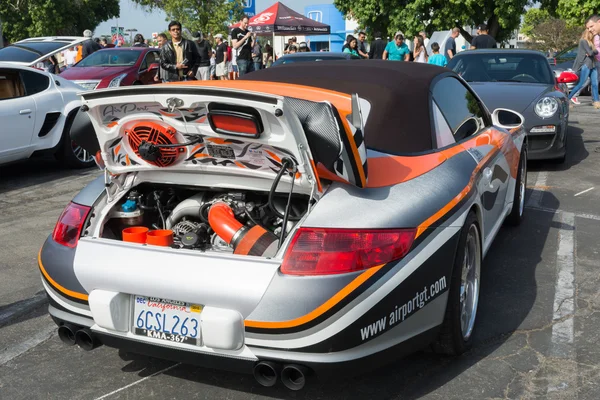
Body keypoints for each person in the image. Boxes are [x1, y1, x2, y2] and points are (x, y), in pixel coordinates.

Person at [568, 29, 599, 109]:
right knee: (581, 83)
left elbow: (593, 52)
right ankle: (567, 99)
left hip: (593, 64)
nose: (593, 35)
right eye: (592, 33)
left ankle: (596, 101)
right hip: (586, 65)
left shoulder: (590, 42)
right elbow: (591, 52)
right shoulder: (583, 41)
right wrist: (593, 52)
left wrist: (592, 52)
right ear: (588, 33)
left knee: (595, 84)